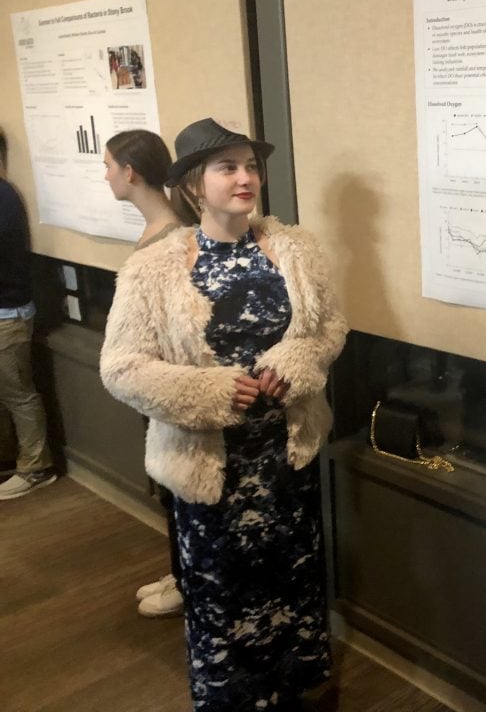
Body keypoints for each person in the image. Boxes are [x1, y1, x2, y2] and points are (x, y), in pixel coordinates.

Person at [100, 118, 347, 710]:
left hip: (286, 457)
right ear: (192, 184)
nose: (245, 178)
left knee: (293, 579)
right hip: (210, 467)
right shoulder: (156, 267)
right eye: (227, 168)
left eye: (251, 166)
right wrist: (207, 392)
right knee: (222, 593)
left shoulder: (295, 249)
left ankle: (291, 686)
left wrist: (297, 358)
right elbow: (120, 366)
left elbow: (329, 327)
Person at [103, 129, 200, 617]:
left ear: (130, 172)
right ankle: (181, 571)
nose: (106, 176)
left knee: (178, 482)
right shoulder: (165, 226)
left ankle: (187, 580)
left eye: (109, 166)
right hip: (156, 375)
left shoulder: (172, 234)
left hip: (171, 379)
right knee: (168, 480)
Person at [0, 126, 57, 501]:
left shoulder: (3, 196)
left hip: (8, 314)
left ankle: (37, 468)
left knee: (19, 393)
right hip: (8, 311)